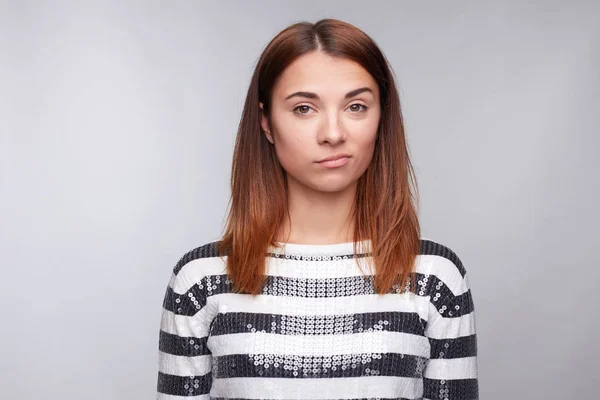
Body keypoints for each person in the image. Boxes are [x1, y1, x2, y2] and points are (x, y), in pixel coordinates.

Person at [156, 18, 479, 400]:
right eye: (304, 108)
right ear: (266, 123)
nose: (333, 133)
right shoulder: (200, 281)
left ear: (381, 118)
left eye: (356, 106)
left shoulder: (434, 277)